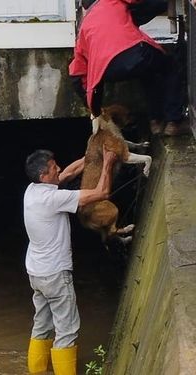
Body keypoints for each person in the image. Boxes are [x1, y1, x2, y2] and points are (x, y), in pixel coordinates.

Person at [24, 146, 117, 375]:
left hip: (36, 273)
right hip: (55, 275)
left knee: (42, 326)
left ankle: (36, 371)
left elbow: (67, 175)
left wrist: (91, 158)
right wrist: (106, 163)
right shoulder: (54, 199)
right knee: (67, 330)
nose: (59, 169)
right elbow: (102, 192)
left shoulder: (32, 190)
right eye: (54, 168)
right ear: (44, 176)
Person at [70, 0, 190, 136]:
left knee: (148, 73)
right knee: (171, 66)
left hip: (106, 70)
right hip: (132, 52)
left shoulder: (84, 28)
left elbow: (77, 73)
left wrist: (91, 105)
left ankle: (155, 122)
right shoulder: (110, 1)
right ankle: (174, 121)